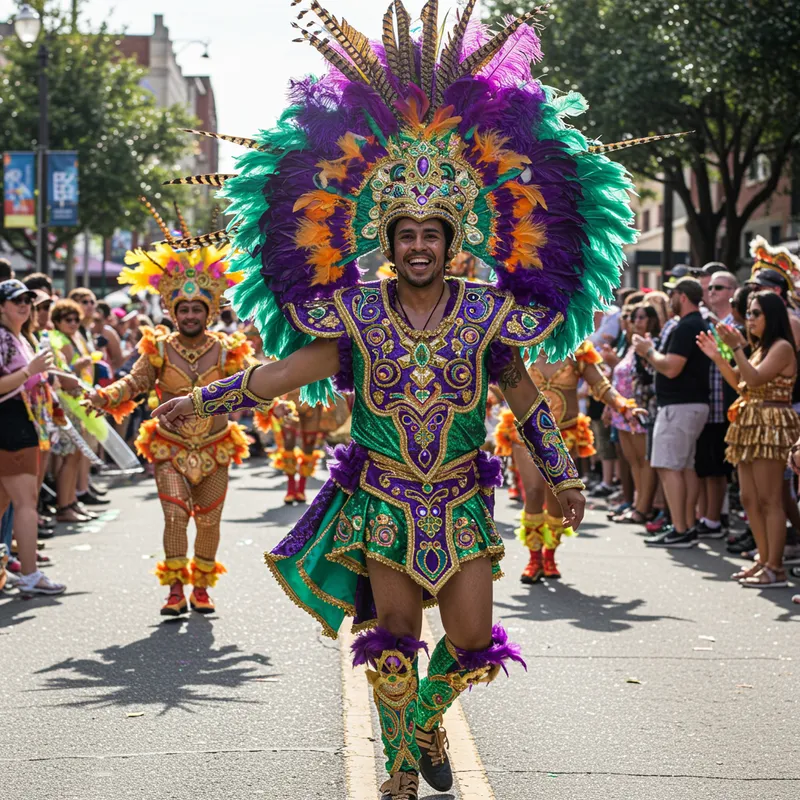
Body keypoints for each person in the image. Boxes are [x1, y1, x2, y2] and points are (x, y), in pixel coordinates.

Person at [149, 2, 646, 794]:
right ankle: (402, 772)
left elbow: (526, 402)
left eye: (431, 234)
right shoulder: (357, 314)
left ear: (454, 242)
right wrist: (203, 400)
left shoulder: (487, 316)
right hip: (382, 497)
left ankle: (424, 723)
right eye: (406, 234)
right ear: (388, 242)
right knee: (392, 645)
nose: (418, 245)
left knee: (472, 640)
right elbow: (284, 374)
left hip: (461, 498)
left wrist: (564, 475)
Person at [85, 220, 267, 617]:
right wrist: (104, 396)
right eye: (182, 309)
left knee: (209, 521)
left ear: (209, 311)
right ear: (172, 311)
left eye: (196, 308)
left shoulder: (228, 350)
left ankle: (201, 588)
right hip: (170, 447)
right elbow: (134, 382)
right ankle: (174, 590)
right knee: (174, 515)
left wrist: (277, 403)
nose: (188, 315)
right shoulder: (159, 348)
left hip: (216, 448)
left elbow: (254, 384)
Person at [510, 341, 644, 583]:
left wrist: (623, 406)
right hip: (526, 434)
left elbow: (601, 386)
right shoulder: (521, 346)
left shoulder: (577, 350)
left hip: (564, 436)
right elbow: (503, 384)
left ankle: (549, 554)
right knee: (533, 491)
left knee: (556, 496)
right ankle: (534, 557)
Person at [699, 292, 800, 587]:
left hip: (771, 424)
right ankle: (763, 559)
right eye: (749, 313)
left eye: (756, 313)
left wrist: (737, 348)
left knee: (770, 498)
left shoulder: (782, 347)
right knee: (748, 498)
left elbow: (754, 380)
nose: (750, 319)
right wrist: (718, 357)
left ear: (772, 316)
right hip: (750, 422)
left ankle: (775, 567)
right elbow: (742, 385)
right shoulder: (760, 349)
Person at [634, 278, 711, 547]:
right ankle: (686, 526)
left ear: (683, 296)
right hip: (688, 405)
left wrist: (647, 351)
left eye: (672, 294)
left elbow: (671, 367)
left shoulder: (687, 326)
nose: (670, 300)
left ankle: (680, 528)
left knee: (668, 467)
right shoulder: (695, 324)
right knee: (684, 467)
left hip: (679, 406)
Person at [0, 279, 65, 595]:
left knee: (4, 501)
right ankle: (29, 574)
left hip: (20, 423)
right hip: (11, 422)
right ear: (1, 307)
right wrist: (30, 371)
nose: (25, 306)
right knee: (26, 503)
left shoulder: (19, 337)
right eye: (17, 301)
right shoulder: (4, 338)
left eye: (28, 300)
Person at [694, 270, 739, 538]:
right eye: (710, 288)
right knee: (704, 466)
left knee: (717, 468)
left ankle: (715, 519)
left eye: (718, 287)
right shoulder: (707, 322)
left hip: (727, 404)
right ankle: (706, 517)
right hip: (708, 401)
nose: (711, 292)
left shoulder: (736, 323)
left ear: (732, 292)